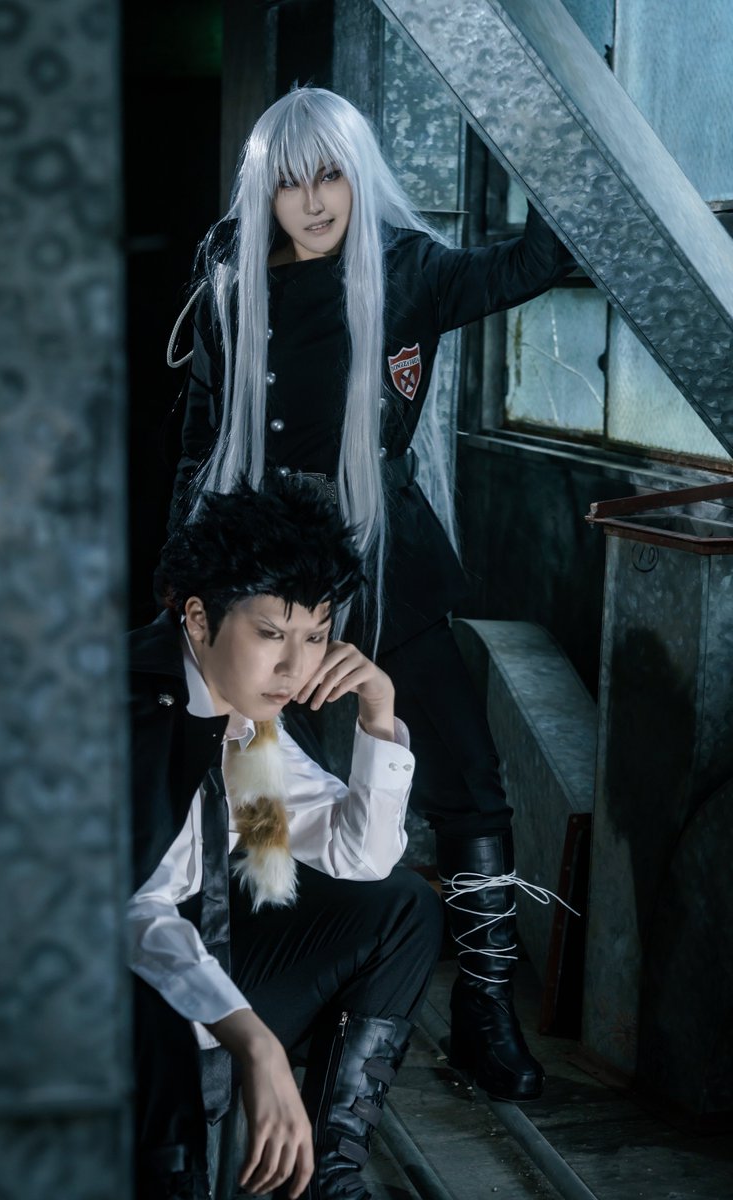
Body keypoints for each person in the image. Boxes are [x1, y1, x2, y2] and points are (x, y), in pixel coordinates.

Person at [167, 86, 575, 1103]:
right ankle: (288, 992)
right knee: (263, 785)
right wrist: (185, 578)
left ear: (357, 175)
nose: (312, 202)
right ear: (264, 189)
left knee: (467, 774)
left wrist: (547, 135)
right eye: (290, 182)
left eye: (331, 176)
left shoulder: (406, 269)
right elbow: (199, 434)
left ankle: (484, 1010)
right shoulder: (229, 274)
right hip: (261, 569)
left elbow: (536, 261)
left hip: (385, 553)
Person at [128, 479, 442, 1200]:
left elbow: (360, 857)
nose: (295, 668)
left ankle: (327, 1177)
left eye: (316, 635)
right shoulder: (133, 714)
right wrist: (254, 1041)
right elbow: (129, 914)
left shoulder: (244, 718)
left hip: (198, 958)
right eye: (272, 635)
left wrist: (379, 712)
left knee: (402, 907)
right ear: (198, 619)